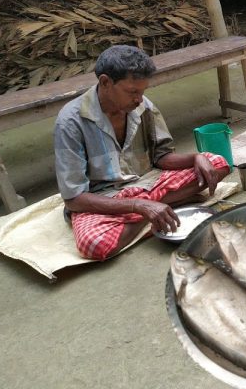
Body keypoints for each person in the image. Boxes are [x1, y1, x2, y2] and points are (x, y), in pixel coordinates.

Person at [54, 45, 230, 260]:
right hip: (105, 199)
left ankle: (154, 209)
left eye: (142, 91)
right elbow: (73, 199)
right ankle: (159, 208)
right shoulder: (71, 122)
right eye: (132, 92)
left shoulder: (142, 106)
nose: (139, 99)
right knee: (95, 245)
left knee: (216, 164)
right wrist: (139, 206)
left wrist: (196, 157)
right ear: (105, 82)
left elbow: (161, 157)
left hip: (147, 182)